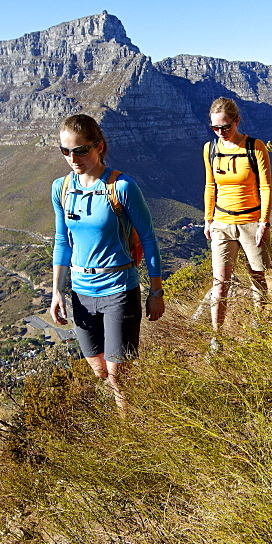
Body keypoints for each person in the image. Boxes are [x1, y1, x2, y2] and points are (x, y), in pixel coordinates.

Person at [49, 114, 164, 410]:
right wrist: (57, 291)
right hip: (82, 292)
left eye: (81, 150)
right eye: (66, 151)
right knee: (100, 371)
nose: (73, 158)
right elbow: (62, 241)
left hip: (118, 290)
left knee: (119, 377)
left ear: (99, 146)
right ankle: (129, 420)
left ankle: (130, 438)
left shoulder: (122, 186)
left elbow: (148, 238)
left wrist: (155, 291)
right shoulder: (60, 189)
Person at [203, 97, 272, 338]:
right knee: (220, 283)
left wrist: (264, 223)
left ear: (237, 121)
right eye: (215, 128)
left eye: (225, 127)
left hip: (251, 222)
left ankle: (260, 324)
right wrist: (208, 219)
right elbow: (210, 185)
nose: (221, 132)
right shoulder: (210, 149)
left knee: (257, 275)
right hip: (222, 223)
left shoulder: (255, 147)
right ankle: (217, 336)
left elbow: (266, 187)